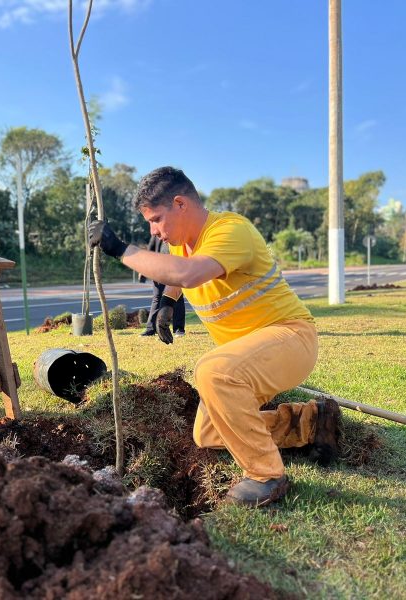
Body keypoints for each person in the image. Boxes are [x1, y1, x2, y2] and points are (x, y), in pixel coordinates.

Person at [88, 166, 340, 508]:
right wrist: (167, 302)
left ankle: (266, 476)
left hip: (290, 338)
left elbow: (189, 273)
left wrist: (120, 249)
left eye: (156, 219)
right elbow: (178, 274)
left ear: (180, 204)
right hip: (250, 354)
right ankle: (310, 423)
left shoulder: (230, 230)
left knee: (212, 371)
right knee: (207, 433)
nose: (154, 231)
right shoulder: (183, 244)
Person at [140, 235, 186, 338]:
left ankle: (179, 329)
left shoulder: (179, 233)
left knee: (177, 298)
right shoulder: (156, 234)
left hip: (175, 269)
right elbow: (150, 251)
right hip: (159, 270)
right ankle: (151, 329)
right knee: (157, 297)